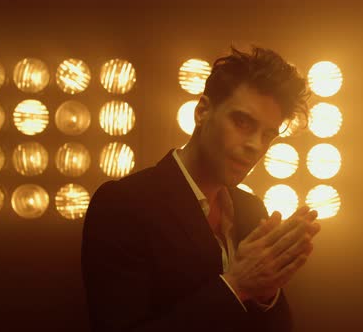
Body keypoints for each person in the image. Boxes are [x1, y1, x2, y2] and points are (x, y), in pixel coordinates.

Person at [81, 46, 321, 332]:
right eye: (242, 122)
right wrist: (236, 286)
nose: (255, 145)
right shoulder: (123, 205)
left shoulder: (251, 208)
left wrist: (267, 293)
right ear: (202, 111)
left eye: (268, 134)